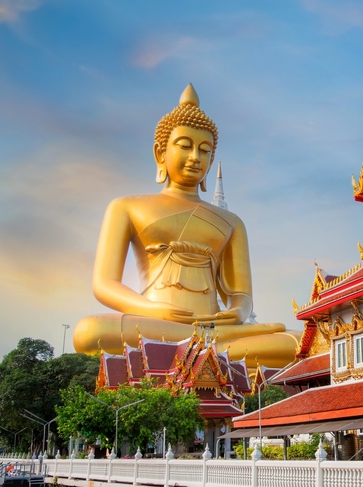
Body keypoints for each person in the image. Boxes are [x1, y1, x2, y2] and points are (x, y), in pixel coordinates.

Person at [72, 84, 297, 368]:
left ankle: (203, 345)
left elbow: (241, 296)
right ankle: (205, 348)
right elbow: (104, 284)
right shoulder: (126, 206)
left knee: (297, 342)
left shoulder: (232, 222)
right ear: (160, 153)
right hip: (155, 323)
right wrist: (152, 310)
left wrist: (239, 312)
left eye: (204, 151)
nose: (195, 158)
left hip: (216, 328)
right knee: (89, 331)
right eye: (185, 146)